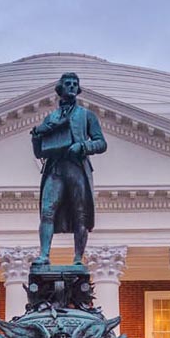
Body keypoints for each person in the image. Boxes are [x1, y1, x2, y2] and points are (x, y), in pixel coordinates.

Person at [30, 72, 107, 266]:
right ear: (60, 89)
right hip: (55, 169)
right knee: (47, 211)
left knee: (80, 213)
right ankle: (44, 255)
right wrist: (36, 136)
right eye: (68, 84)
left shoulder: (86, 115)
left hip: (77, 168)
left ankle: (77, 259)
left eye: (75, 84)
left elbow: (101, 143)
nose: (72, 86)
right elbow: (39, 152)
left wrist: (82, 147)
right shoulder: (50, 118)